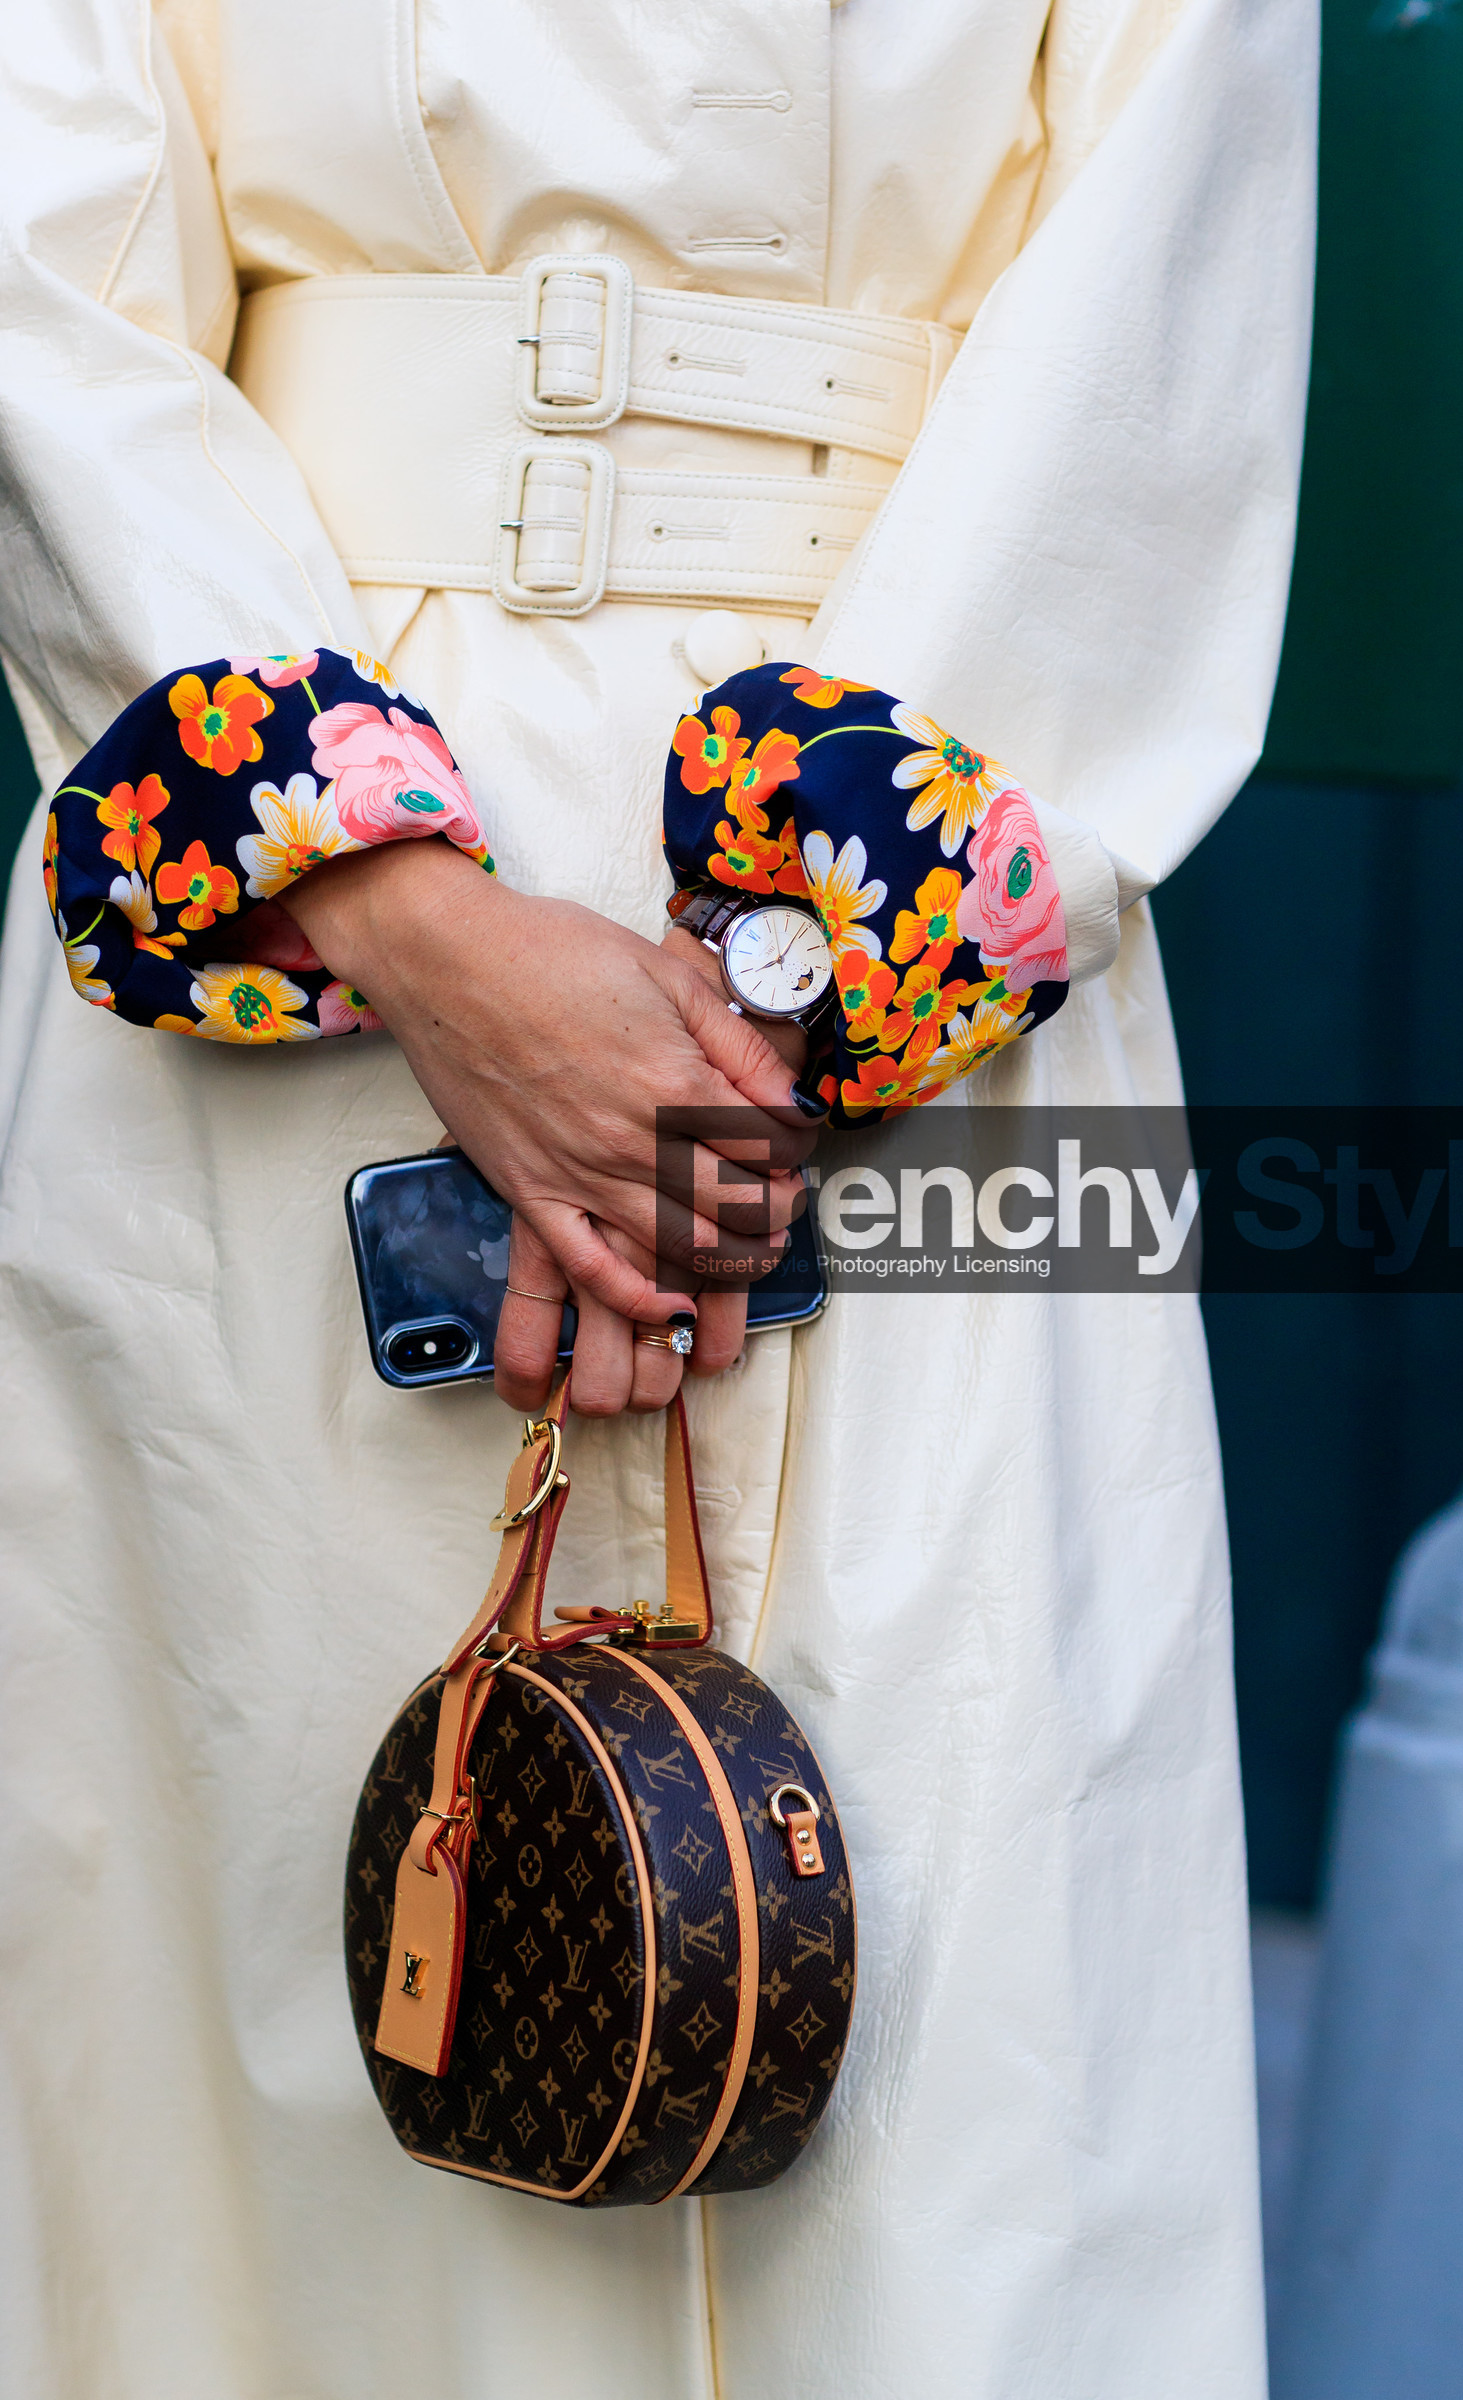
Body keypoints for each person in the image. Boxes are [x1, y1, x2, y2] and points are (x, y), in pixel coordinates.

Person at [0, 3, 1315, 2395]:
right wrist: (386, 900)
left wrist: (771, 1019)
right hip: (297, 970)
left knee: (962, 2006)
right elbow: (35, 273)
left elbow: (1164, 306)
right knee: (252, 2047)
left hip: (945, 956)